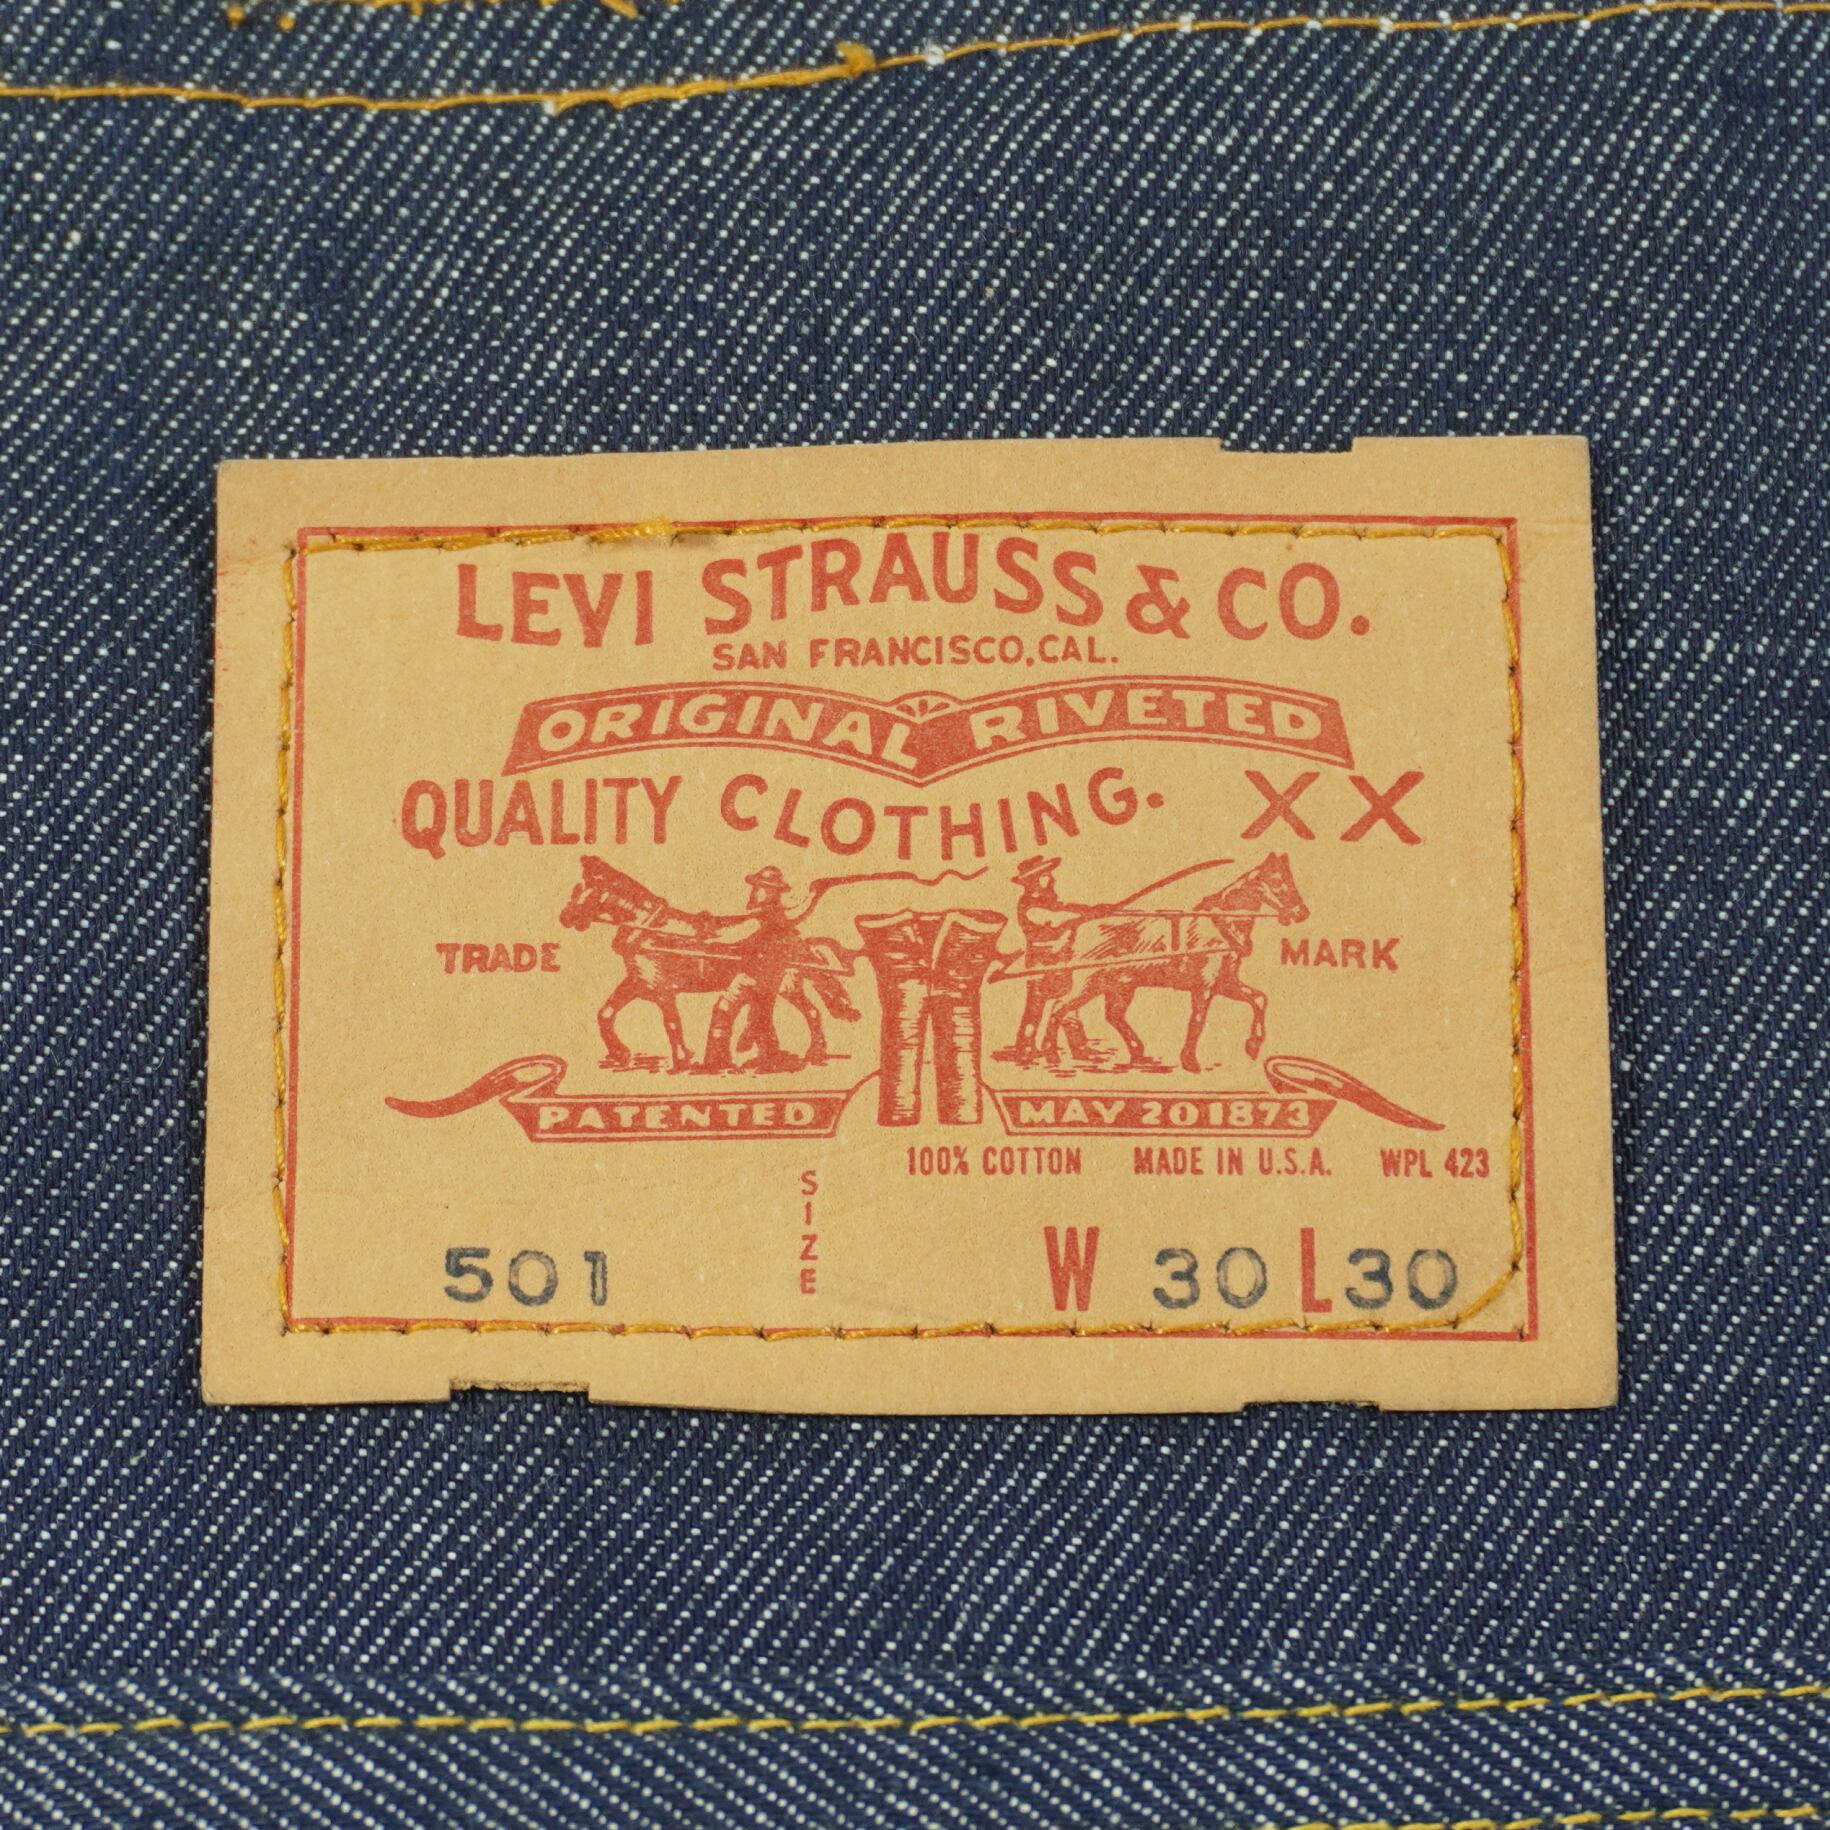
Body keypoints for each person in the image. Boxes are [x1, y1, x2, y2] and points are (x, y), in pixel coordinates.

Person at [694, 866, 821, 1073]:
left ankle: (717, 1059)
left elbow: (738, 935)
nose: (754, 891)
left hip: (753, 977)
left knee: (724, 1009)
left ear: (771, 892)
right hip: (765, 977)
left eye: (760, 887)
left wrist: (708, 938)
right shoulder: (773, 915)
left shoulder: (765, 916)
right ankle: (770, 1055)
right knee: (761, 1017)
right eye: (755, 887)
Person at [997, 856, 1112, 1067]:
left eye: (1048, 874)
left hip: (1063, 959)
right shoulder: (1029, 904)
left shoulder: (1051, 902)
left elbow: (1066, 909)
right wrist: (1090, 913)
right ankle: (1026, 1047)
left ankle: (1078, 1047)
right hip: (1042, 962)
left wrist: (1096, 910)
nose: (1050, 878)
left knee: (1069, 1003)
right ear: (1032, 881)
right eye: (1044, 875)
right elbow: (1055, 917)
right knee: (1036, 1007)